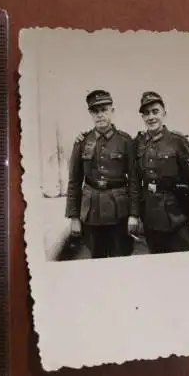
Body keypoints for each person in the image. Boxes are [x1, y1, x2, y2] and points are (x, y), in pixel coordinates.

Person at [65, 90, 139, 259]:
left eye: (104, 109)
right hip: (92, 213)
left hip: (119, 212)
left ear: (112, 111)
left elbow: (134, 180)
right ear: (90, 113)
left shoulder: (125, 141)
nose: (100, 115)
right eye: (95, 111)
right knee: (96, 257)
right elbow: (74, 182)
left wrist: (134, 215)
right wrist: (74, 217)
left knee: (121, 256)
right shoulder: (82, 141)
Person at [134, 91, 189, 253]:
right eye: (146, 113)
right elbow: (135, 181)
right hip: (151, 218)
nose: (151, 117)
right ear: (142, 117)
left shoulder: (177, 142)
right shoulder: (138, 143)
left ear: (164, 114)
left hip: (177, 216)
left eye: (155, 112)